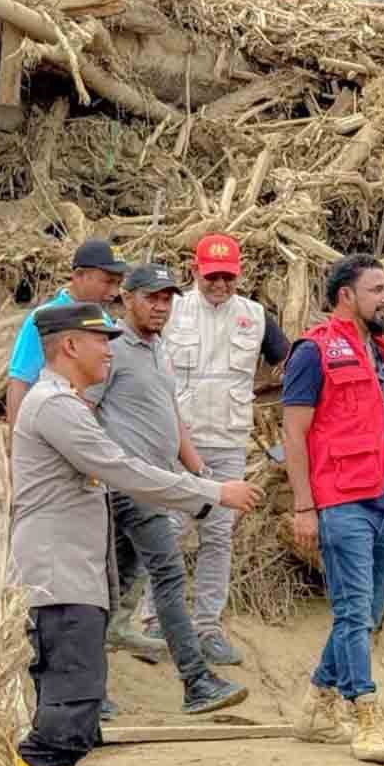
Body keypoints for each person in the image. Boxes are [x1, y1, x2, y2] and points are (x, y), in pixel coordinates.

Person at [8, 301, 263, 766]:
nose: (110, 352)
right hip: (59, 586)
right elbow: (125, 469)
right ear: (69, 345)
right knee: (67, 723)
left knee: (73, 722)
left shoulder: (66, 404)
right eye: (102, 341)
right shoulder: (55, 406)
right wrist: (212, 491)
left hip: (72, 584)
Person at [282, 253, 384, 765]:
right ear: (346, 295)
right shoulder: (314, 351)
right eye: (376, 289)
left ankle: (314, 705)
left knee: (368, 612)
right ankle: (365, 716)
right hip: (342, 500)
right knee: (352, 612)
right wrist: (304, 507)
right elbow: (294, 432)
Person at [85, 264, 249, 715]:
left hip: (153, 485)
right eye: (152, 298)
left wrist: (202, 475)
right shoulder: (111, 350)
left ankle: (89, 694)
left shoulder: (158, 351)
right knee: (169, 575)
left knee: (110, 592)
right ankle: (196, 681)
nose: (160, 307)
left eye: (168, 299)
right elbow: (83, 408)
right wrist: (103, 473)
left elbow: (171, 418)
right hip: (128, 487)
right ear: (127, 298)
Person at [139, 233, 290, 665]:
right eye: (212, 276)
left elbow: (288, 360)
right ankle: (153, 622)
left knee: (218, 536)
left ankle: (208, 627)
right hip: (174, 441)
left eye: (228, 277)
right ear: (195, 271)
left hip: (228, 443)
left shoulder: (256, 316)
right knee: (168, 529)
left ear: (239, 274)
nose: (220, 285)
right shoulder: (172, 309)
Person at [7, 240, 127, 429]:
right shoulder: (43, 320)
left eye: (119, 283)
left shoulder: (104, 321)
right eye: (108, 281)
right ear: (79, 275)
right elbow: (20, 382)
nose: (114, 292)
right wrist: (16, 444)